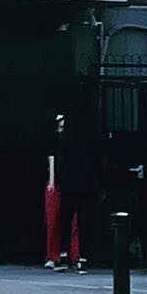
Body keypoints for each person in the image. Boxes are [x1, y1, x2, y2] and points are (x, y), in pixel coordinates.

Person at [49, 109, 100, 272]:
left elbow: (60, 160)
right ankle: (83, 258)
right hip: (86, 184)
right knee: (84, 222)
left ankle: (63, 256)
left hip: (69, 184)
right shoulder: (91, 138)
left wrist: (58, 179)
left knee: (64, 219)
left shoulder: (65, 138)